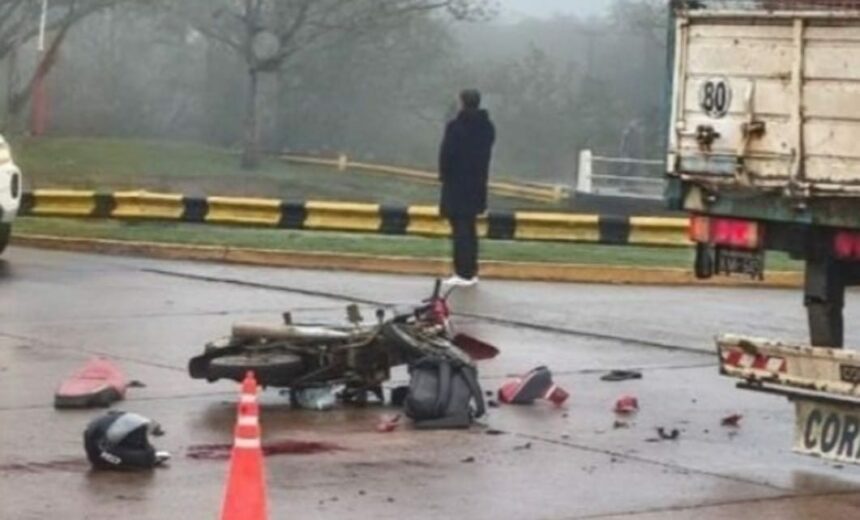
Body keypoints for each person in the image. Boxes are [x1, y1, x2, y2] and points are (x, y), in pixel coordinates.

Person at [438, 89, 496, 287]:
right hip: (477, 184)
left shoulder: (456, 127)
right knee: (470, 229)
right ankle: (471, 270)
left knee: (460, 231)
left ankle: (462, 272)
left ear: (462, 103)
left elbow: (447, 156)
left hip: (457, 184)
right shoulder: (487, 127)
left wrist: (444, 176)